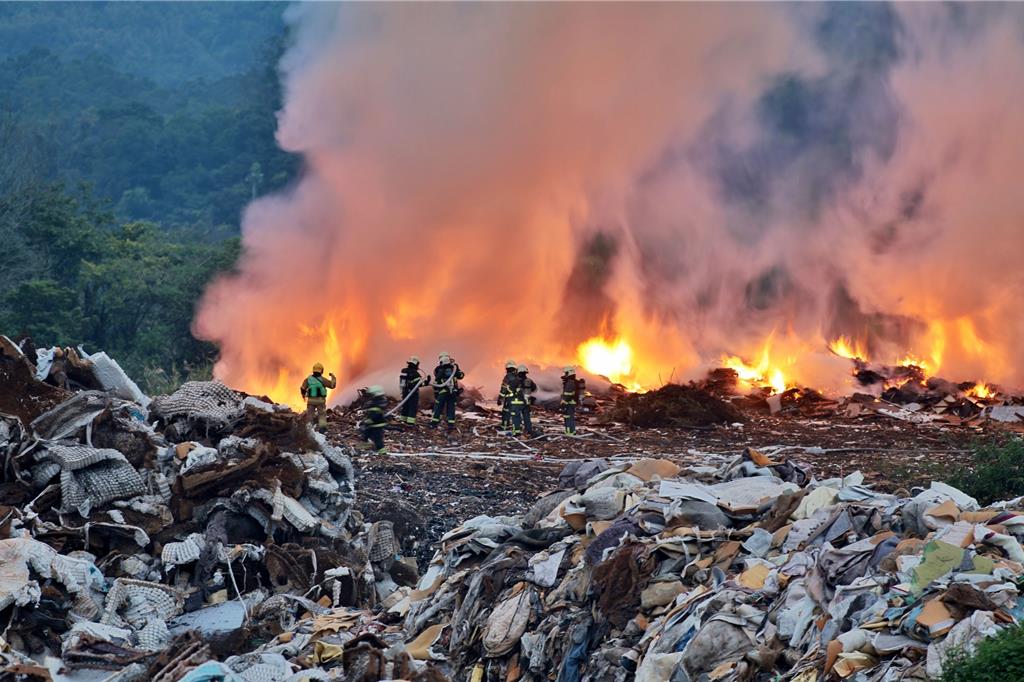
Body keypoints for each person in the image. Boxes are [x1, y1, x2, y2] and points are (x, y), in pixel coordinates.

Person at [430, 352, 464, 432]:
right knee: (451, 408)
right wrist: (458, 370)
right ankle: (451, 424)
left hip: (443, 392)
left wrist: (436, 393)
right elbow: (461, 376)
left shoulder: (438, 369)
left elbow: (436, 382)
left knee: (438, 408)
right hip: (453, 392)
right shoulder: (454, 368)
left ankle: (434, 423)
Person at [300, 362, 337, 432]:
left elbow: (302, 388)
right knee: (322, 415)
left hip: (311, 401)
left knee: (310, 415)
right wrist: (333, 377)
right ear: (321, 371)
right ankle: (322, 429)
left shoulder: (308, 379)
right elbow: (332, 385)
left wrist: (303, 396)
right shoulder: (323, 379)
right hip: (320, 401)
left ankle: (309, 429)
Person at [359, 385, 388, 453]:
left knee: (377, 439)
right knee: (366, 434)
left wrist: (367, 421)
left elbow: (374, 415)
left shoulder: (376, 403)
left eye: (371, 394)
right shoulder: (381, 401)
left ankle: (382, 452)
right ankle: (364, 447)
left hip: (376, 424)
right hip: (375, 423)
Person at [398, 356, 425, 425]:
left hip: (405, 391)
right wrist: (426, 382)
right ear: (416, 364)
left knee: (405, 405)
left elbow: (402, 382)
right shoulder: (416, 374)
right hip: (413, 393)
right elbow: (419, 384)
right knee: (412, 407)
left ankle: (403, 420)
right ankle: (410, 423)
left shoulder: (403, 370)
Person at [561, 366, 584, 435]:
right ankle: (571, 431)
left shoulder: (570, 382)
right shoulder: (574, 381)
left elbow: (568, 394)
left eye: (566, 373)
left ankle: (569, 433)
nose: (565, 374)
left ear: (569, 372)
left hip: (569, 403)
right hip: (571, 402)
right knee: (570, 417)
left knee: (568, 417)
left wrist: (564, 403)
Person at [516, 364, 537, 436]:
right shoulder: (529, 381)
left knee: (517, 416)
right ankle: (528, 430)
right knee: (526, 416)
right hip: (527, 401)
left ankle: (518, 430)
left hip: (518, 402)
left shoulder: (516, 381)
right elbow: (535, 389)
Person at [497, 360, 517, 431]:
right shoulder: (517, 377)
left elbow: (503, 389)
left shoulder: (507, 377)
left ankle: (504, 427)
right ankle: (516, 429)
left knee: (506, 413)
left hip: (509, 399)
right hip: (518, 399)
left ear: (508, 369)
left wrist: (500, 399)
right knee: (516, 414)